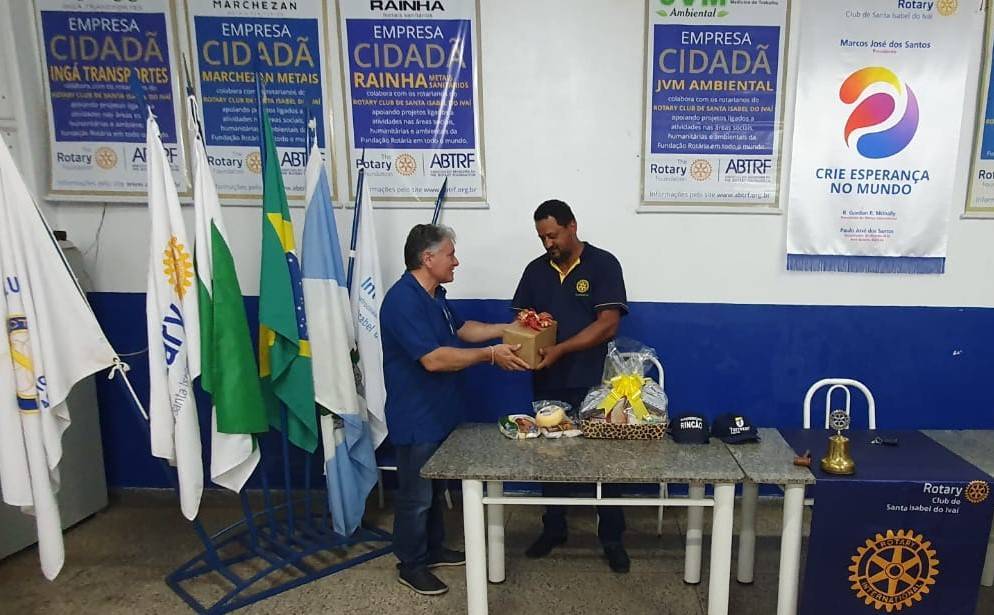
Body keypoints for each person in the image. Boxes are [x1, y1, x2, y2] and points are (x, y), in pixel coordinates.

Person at [381, 223, 530, 596]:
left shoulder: (435, 296)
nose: (456, 261)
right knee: (416, 496)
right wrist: (489, 355)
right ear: (427, 258)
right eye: (450, 254)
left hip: (442, 411)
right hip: (416, 415)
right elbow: (432, 359)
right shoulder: (402, 301)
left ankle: (433, 549)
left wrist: (507, 328)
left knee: (434, 490)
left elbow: (463, 330)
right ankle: (410, 564)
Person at [511, 199, 631, 572]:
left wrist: (561, 348)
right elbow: (521, 320)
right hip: (548, 380)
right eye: (542, 238)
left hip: (597, 382)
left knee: (606, 461)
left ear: (572, 226)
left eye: (553, 235)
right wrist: (530, 327)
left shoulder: (603, 264)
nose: (548, 243)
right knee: (550, 456)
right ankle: (554, 527)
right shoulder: (535, 271)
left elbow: (608, 324)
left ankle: (612, 538)